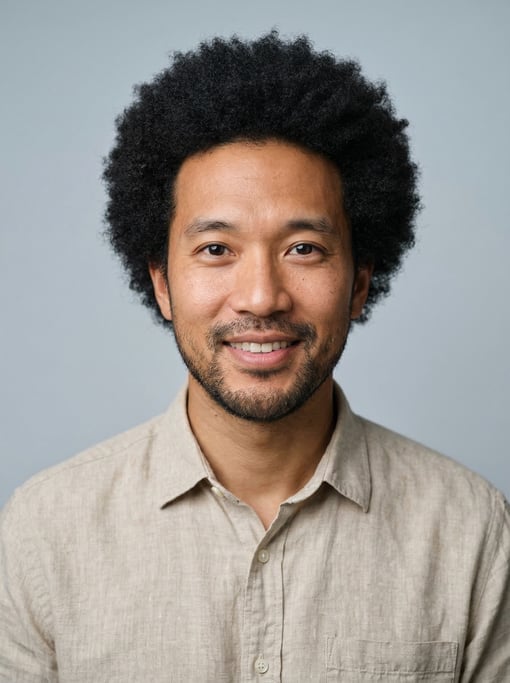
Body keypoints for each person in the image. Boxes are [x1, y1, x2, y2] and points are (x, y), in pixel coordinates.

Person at [0, 32, 508, 682]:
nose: (262, 296)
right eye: (216, 249)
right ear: (161, 283)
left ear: (358, 282)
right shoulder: (45, 533)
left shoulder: (471, 532)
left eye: (303, 248)